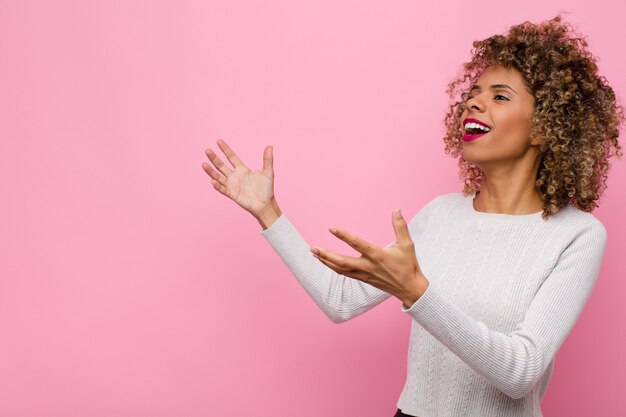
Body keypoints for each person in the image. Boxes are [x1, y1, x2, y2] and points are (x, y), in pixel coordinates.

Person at [202, 15, 623, 417]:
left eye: (499, 96)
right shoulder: (441, 214)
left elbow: (521, 371)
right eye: (473, 93)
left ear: (544, 127)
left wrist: (418, 294)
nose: (474, 103)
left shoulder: (577, 235)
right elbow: (339, 300)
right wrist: (268, 212)